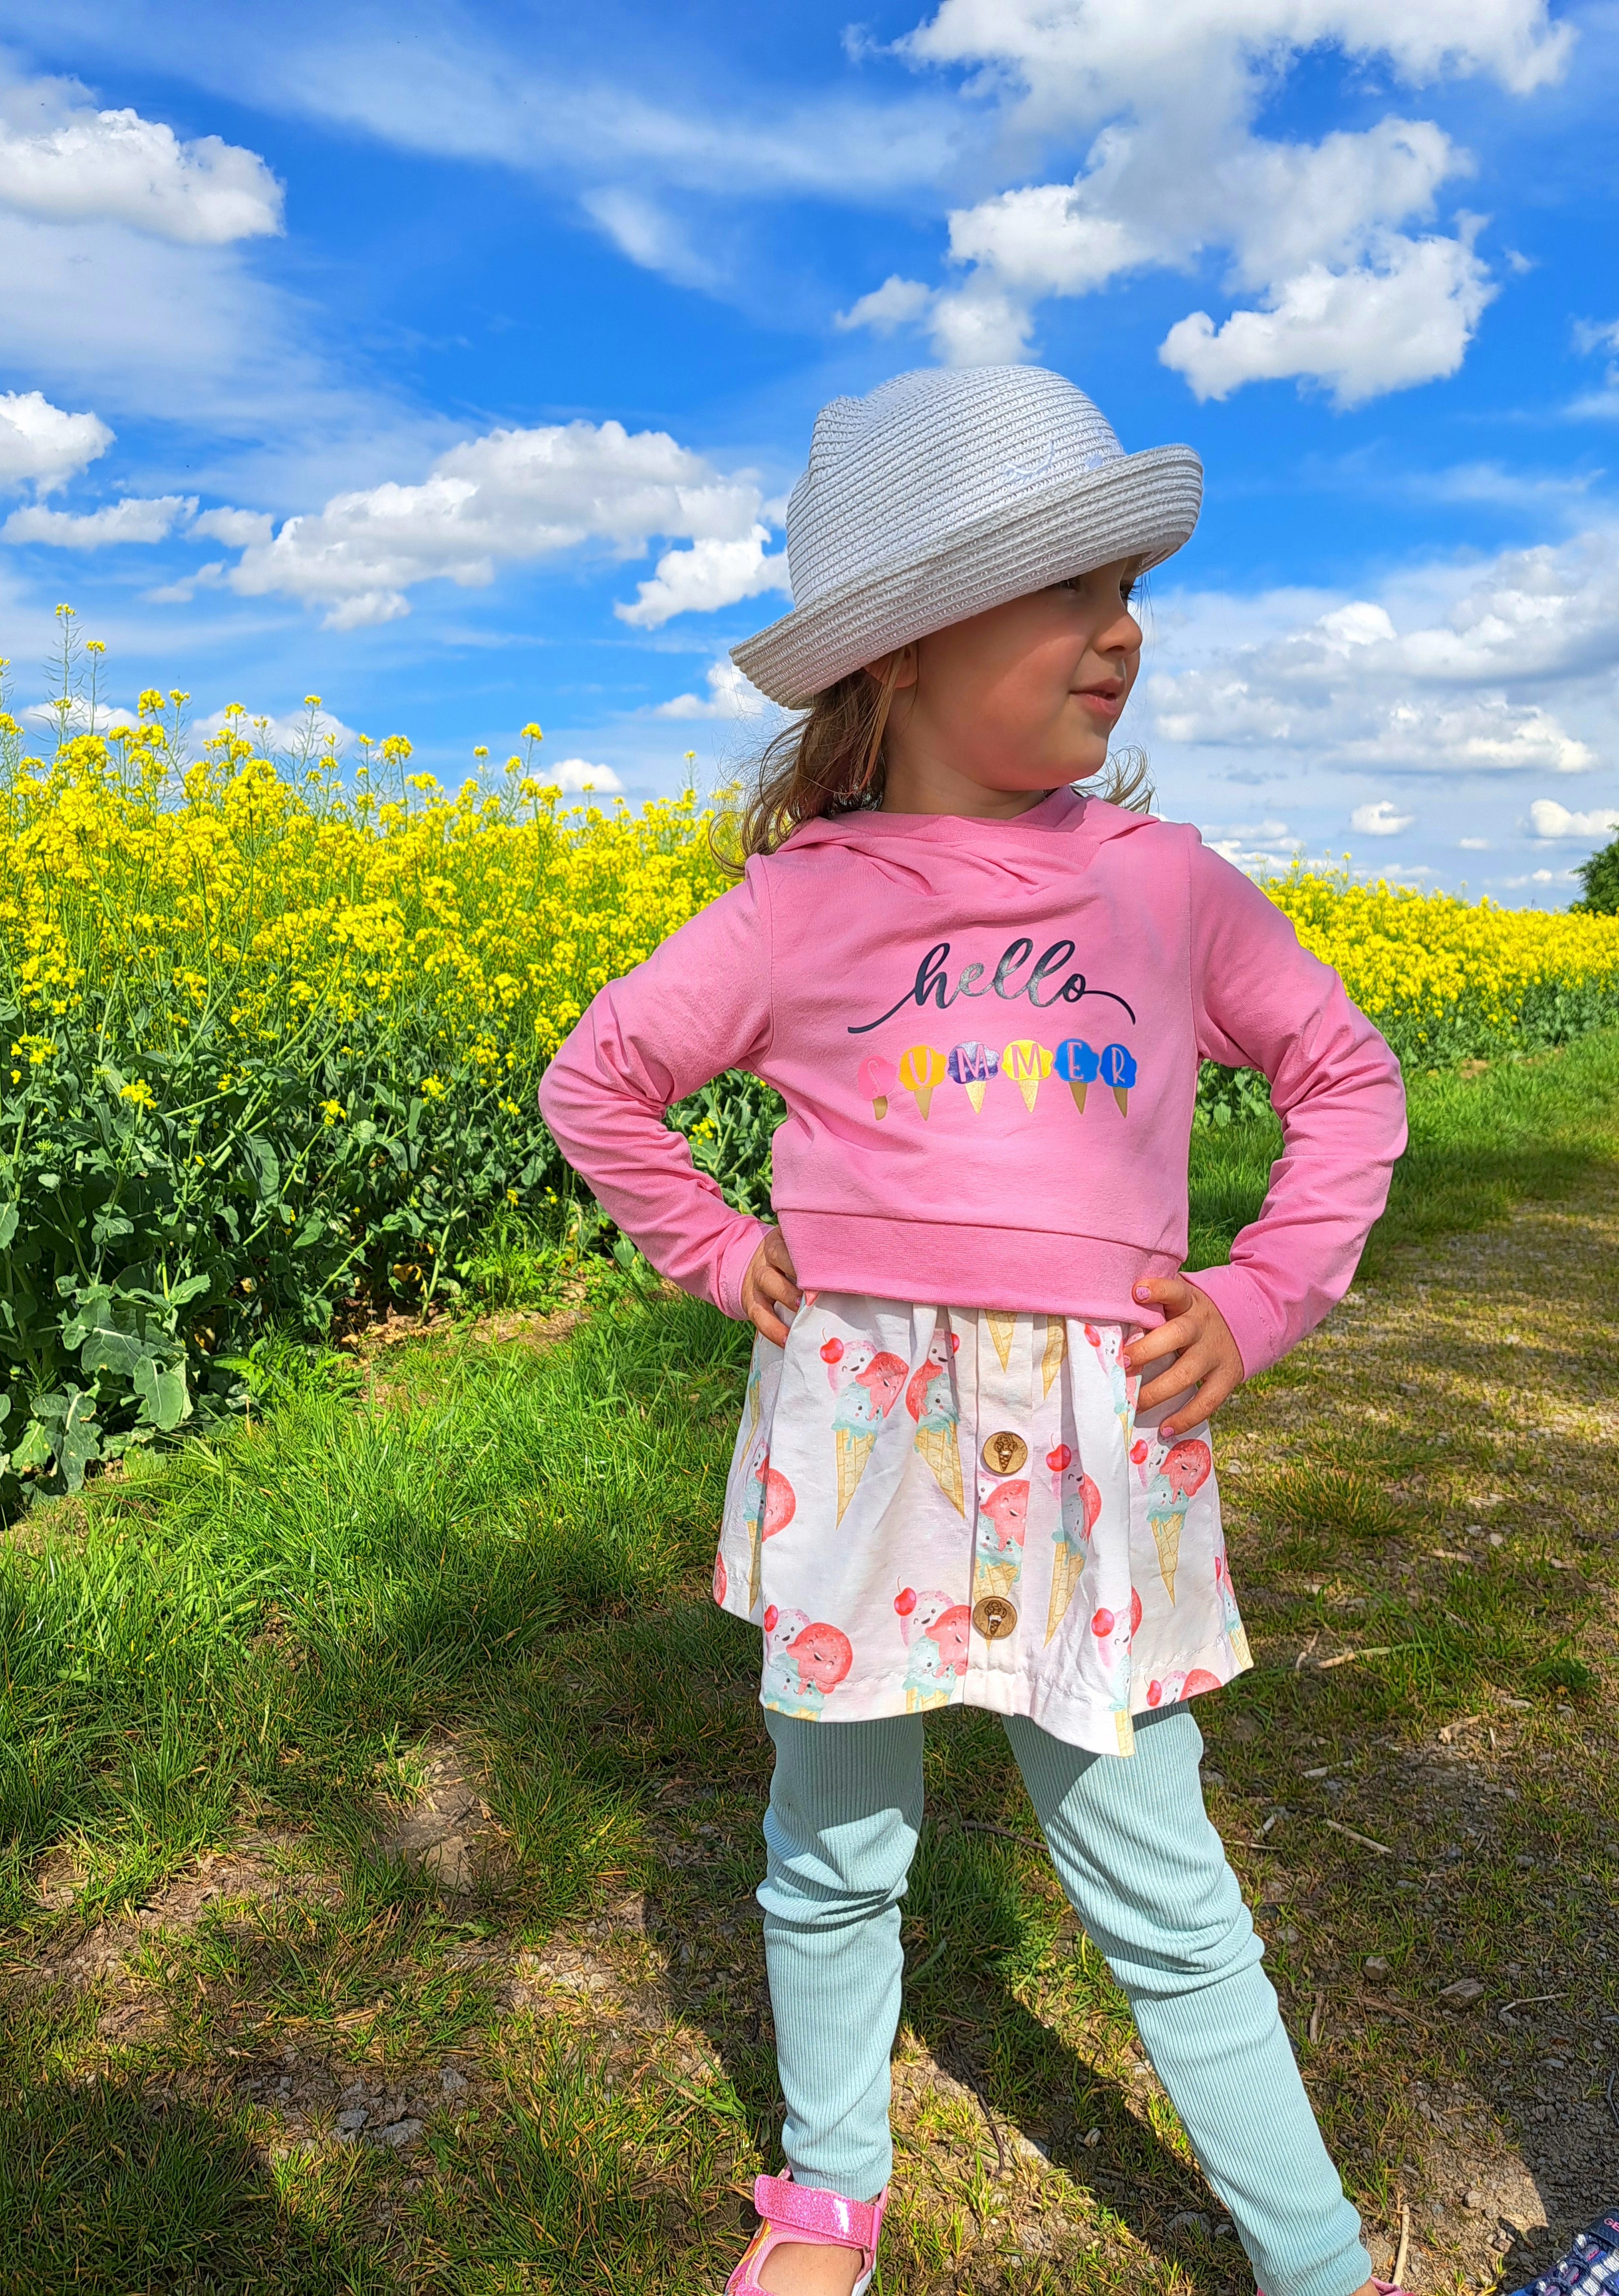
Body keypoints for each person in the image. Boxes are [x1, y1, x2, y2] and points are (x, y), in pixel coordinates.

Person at [540, 364, 1410, 2296]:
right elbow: (600, 1083)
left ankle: (1314, 2262)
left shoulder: (1163, 886)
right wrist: (706, 1248)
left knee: (1161, 1892)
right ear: (906, 652)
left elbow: (1344, 1080)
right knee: (832, 1855)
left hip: (1094, 1456)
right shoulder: (798, 906)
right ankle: (826, 2188)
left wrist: (1261, 1297)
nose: (1122, 630)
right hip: (860, 1442)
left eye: (1125, 587)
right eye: (1064, 589)